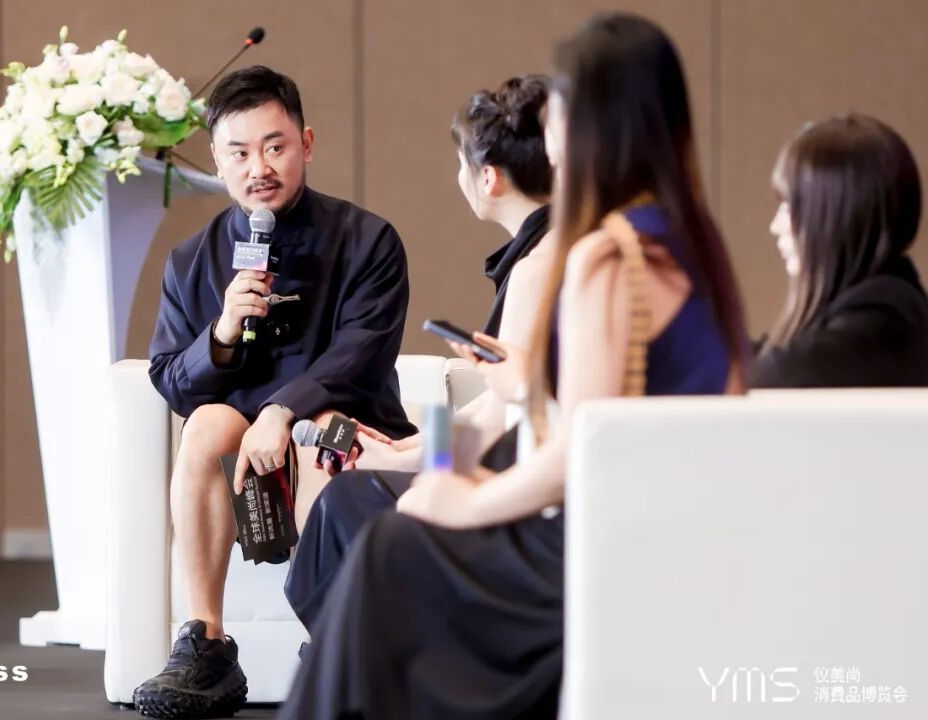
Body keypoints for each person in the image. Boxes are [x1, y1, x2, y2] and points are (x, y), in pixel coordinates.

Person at [279, 13, 747, 719]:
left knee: (376, 537)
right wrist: (428, 451)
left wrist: (451, 489)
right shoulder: (693, 244)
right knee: (375, 532)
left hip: (588, 536)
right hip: (654, 524)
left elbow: (563, 444)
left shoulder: (594, 258)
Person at [133, 65, 415, 719]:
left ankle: (340, 642)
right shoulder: (192, 261)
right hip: (244, 451)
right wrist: (223, 332)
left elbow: (362, 354)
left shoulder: (368, 241)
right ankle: (206, 646)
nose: (258, 167)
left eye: (274, 146)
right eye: (238, 152)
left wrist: (284, 410)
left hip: (346, 429)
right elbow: (171, 379)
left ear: (306, 144)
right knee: (206, 425)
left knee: (323, 433)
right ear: (217, 161)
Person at [285, 74, 555, 630]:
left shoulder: (537, 267)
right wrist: (408, 449)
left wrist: (398, 461)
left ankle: (352, 655)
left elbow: (506, 414)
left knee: (344, 501)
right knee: (355, 492)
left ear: (488, 177)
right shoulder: (556, 249)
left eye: (460, 164)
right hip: (524, 471)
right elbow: (499, 402)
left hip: (522, 492)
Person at [751, 114, 928, 387]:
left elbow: (773, 372)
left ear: (836, 218)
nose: (776, 226)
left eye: (791, 207)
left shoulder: (883, 325)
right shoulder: (879, 310)